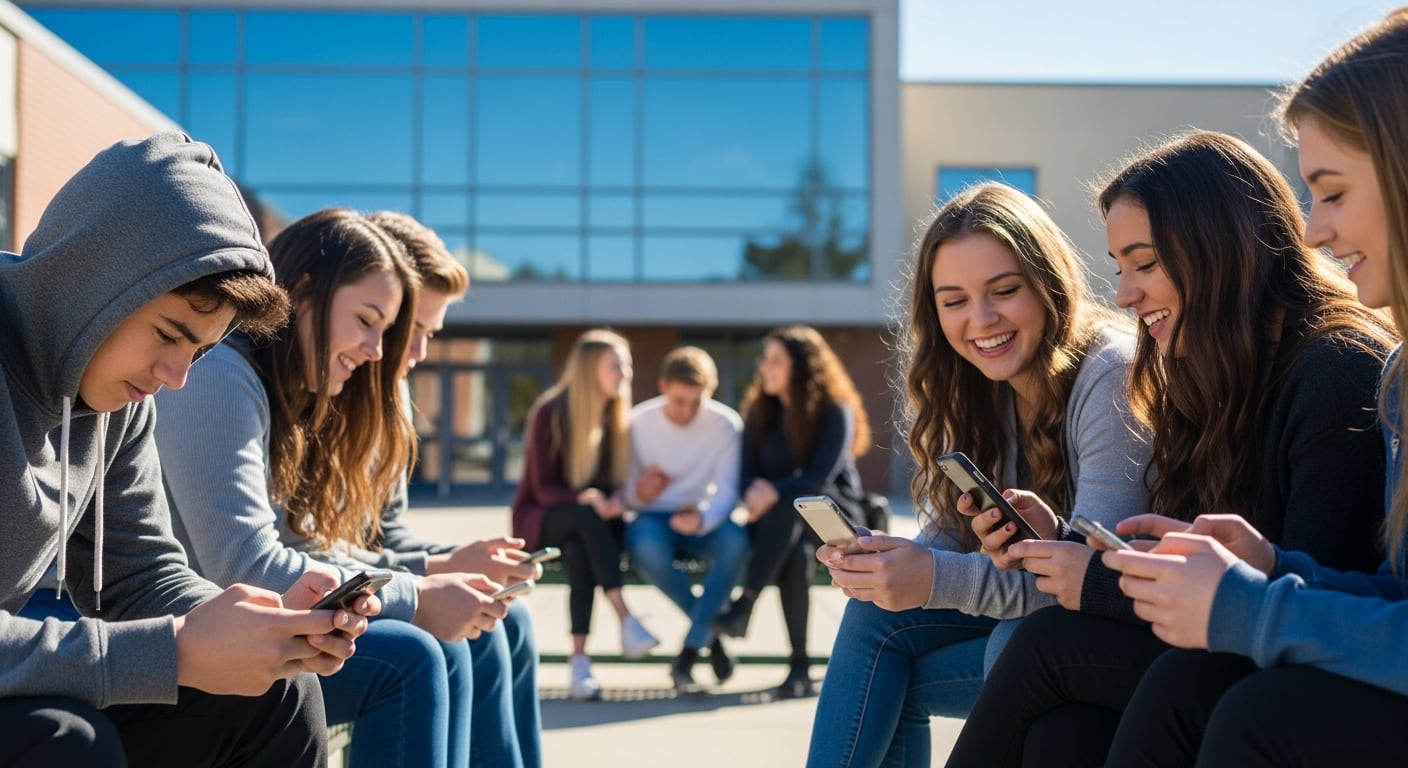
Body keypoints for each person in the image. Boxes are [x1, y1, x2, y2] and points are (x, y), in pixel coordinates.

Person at [945, 130, 1397, 767]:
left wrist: (1100, 583)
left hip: (1307, 674)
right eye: (1120, 267)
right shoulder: (1212, 369)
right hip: (1232, 652)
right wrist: (1069, 546)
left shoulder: (1337, 370)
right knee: (1064, 733)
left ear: (1220, 248)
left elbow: (1306, 607)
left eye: (1146, 263)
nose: (1126, 294)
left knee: (1051, 643)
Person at [1091, 11, 1408, 765]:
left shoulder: (1343, 371)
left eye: (1332, 193)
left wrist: (1252, 605)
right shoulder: (1396, 376)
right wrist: (1271, 566)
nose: (1313, 232)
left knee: (1253, 711)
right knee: (1152, 697)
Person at [0, 132, 372, 766]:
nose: (176, 377)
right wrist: (172, 650)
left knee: (278, 692)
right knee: (64, 743)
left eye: (199, 351)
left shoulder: (119, 400)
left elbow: (140, 575)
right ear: (95, 281)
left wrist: (255, 624)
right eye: (169, 335)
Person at [155, 207, 517, 768]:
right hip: (187, 643)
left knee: (471, 635)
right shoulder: (218, 376)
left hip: (244, 628)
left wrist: (424, 576)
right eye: (368, 321)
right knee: (411, 657)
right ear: (300, 293)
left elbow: (305, 542)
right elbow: (247, 566)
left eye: (388, 329)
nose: (380, 350)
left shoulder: (290, 387)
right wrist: (417, 593)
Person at [806, 182, 1151, 767]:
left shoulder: (1109, 374)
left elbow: (1088, 587)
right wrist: (888, 568)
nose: (980, 319)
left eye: (1005, 290)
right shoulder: (962, 388)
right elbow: (946, 544)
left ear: (1049, 284)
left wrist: (930, 578)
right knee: (875, 617)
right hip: (1036, 612)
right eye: (954, 300)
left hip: (1112, 631)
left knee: (1010, 644)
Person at [365, 209, 543, 767]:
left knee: (509, 618)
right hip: (333, 595)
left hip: (365, 580)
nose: (418, 352)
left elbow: (385, 532)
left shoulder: (392, 401)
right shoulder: (317, 388)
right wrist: (437, 572)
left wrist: (456, 561)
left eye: (430, 334)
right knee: (459, 638)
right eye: (411, 329)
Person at [711, 324, 871, 699]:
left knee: (793, 504)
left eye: (775, 361)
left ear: (802, 368)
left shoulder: (835, 411)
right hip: (780, 527)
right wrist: (756, 491)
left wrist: (772, 492)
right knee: (794, 555)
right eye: (765, 359)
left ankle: (744, 605)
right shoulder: (760, 411)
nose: (765, 367)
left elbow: (817, 480)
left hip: (835, 515)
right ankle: (799, 668)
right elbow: (747, 473)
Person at [512, 328, 660, 701]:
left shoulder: (613, 416)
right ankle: (625, 617)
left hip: (587, 529)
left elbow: (609, 486)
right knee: (584, 519)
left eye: (626, 364)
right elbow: (543, 488)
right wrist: (590, 499)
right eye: (616, 365)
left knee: (581, 552)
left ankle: (580, 663)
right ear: (589, 368)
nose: (625, 373)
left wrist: (614, 500)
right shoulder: (550, 412)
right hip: (543, 519)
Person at [624, 345, 749, 693]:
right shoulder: (637, 422)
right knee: (646, 548)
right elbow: (626, 493)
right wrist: (642, 494)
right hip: (652, 516)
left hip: (701, 514)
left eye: (698, 401)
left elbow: (727, 491)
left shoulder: (725, 424)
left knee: (736, 541)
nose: (688, 411)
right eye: (680, 401)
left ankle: (691, 648)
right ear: (664, 387)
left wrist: (703, 519)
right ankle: (710, 636)